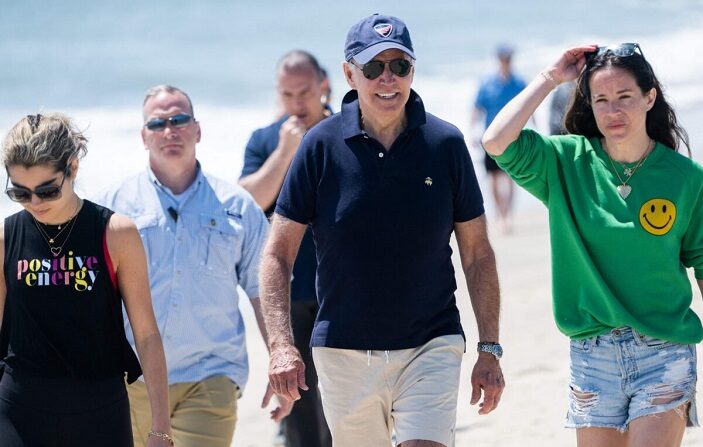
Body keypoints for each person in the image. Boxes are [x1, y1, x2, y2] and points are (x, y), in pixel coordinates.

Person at [260, 14, 504, 447]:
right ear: (349, 73)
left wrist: (489, 347)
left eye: (400, 65)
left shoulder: (445, 144)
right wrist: (281, 344)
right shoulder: (318, 146)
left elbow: (478, 253)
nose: (387, 78)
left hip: (432, 343)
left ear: (413, 70)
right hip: (342, 352)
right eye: (374, 67)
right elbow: (278, 254)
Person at [482, 43, 702, 447]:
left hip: (664, 350)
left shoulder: (685, 177)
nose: (612, 111)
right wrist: (550, 78)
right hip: (592, 354)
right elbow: (496, 141)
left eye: (624, 98)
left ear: (649, 97)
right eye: (601, 100)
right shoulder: (566, 162)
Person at [97, 85, 291, 447]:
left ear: (197, 130)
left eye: (180, 119)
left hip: (211, 373)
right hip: (130, 377)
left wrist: (279, 358)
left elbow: (261, 288)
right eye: (158, 123)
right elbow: (93, 293)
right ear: (144, 136)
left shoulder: (238, 206)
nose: (170, 130)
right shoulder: (113, 206)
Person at [0, 113, 171, 446]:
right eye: (20, 193)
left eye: (47, 190)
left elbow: (147, 334)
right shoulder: (6, 238)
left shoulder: (115, 233)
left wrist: (160, 426)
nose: (35, 202)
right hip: (18, 412)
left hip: (100, 412)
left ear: (73, 168)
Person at [239, 50, 332, 447]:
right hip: (290, 290)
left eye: (305, 92)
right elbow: (247, 203)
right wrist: (284, 153)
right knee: (302, 401)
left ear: (324, 86)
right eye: (288, 94)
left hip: (345, 285)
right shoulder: (264, 140)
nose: (297, 102)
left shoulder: (350, 130)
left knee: (351, 397)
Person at [471, 44, 527, 233]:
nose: (506, 61)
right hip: (490, 137)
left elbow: (527, 105)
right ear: (499, 60)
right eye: (504, 58)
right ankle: (500, 213)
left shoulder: (519, 82)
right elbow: (477, 108)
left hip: (514, 135)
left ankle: (508, 214)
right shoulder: (487, 83)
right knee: (493, 177)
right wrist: (472, 131)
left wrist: (534, 126)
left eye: (509, 58)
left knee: (511, 175)